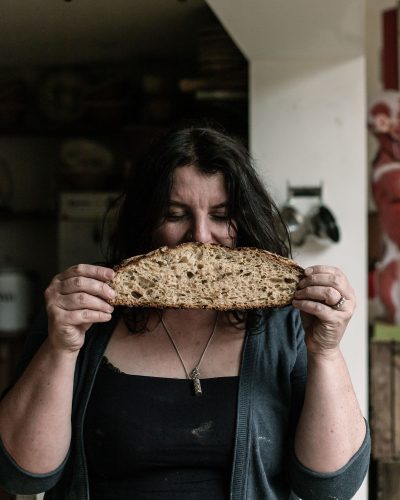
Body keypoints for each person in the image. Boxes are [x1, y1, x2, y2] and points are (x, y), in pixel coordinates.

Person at [0, 126, 370, 499]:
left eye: (222, 215)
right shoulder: (84, 312)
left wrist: (325, 351)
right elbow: (23, 475)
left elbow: (331, 485)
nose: (201, 236)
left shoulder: (283, 321)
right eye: (176, 214)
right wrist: (60, 348)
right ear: (146, 220)